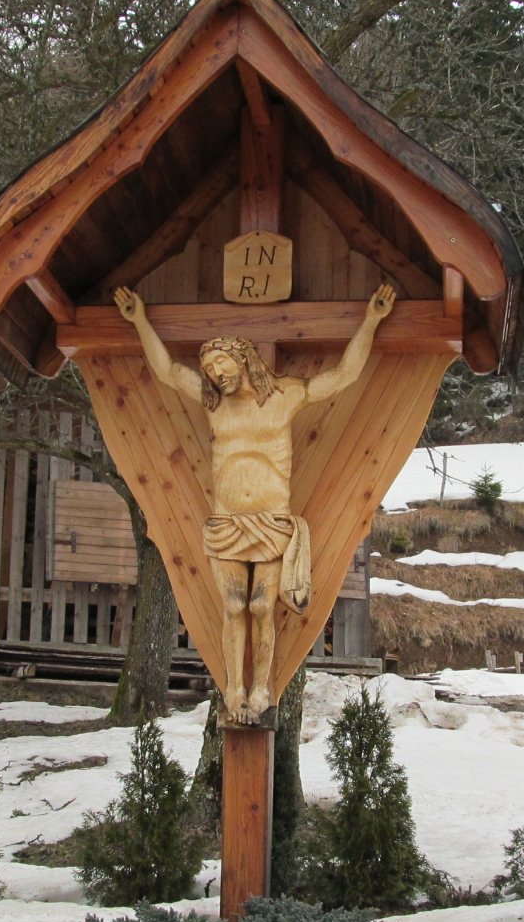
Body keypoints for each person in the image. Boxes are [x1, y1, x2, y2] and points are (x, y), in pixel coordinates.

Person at [113, 282, 396, 723]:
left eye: (219, 362)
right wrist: (139, 321)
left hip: (270, 522)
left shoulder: (286, 395)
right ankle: (234, 689)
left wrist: (371, 321)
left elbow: (343, 376)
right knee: (232, 606)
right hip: (227, 521)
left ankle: (262, 687)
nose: (213, 373)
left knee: (262, 606)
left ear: (242, 357)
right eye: (207, 368)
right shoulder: (213, 405)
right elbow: (168, 371)